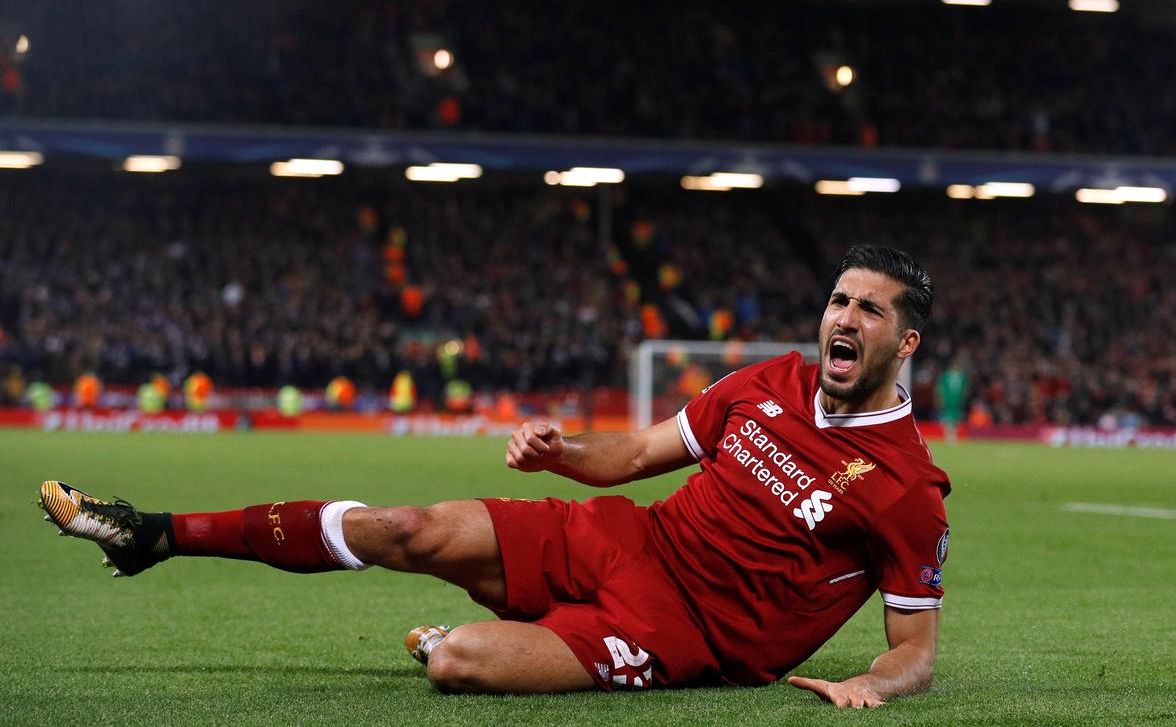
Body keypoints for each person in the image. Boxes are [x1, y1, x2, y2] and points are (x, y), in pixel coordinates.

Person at [39, 243, 950, 710]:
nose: (845, 316)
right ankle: (155, 533)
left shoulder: (908, 488)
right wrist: (563, 455)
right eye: (839, 298)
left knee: (458, 663)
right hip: (633, 540)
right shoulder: (765, 381)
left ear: (902, 342)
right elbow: (632, 458)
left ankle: (495, 629)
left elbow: (916, 646)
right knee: (411, 528)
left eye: (869, 309)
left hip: (689, 634)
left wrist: (876, 681)